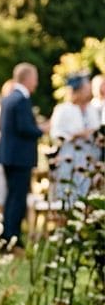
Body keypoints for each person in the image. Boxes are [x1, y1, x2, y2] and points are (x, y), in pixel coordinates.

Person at [0, 62, 48, 248]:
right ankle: (13, 238)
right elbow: (25, 128)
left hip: (9, 156)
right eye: (35, 78)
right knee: (17, 199)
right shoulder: (21, 99)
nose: (37, 82)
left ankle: (7, 235)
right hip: (19, 158)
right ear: (27, 78)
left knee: (12, 198)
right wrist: (41, 129)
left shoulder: (9, 98)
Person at [48, 72, 103, 206]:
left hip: (89, 158)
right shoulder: (63, 109)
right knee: (69, 192)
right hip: (70, 158)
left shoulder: (92, 109)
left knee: (88, 192)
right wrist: (75, 135)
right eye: (86, 88)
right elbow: (55, 133)